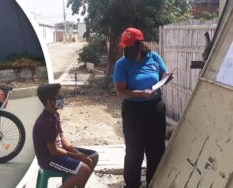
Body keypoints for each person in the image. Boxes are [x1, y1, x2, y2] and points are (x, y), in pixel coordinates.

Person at [113, 28, 173, 188]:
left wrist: (166, 78)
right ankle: (132, 184)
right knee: (134, 151)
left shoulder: (154, 57)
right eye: (124, 47)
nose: (126, 50)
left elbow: (163, 74)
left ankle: (154, 182)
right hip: (133, 111)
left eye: (129, 46)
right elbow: (120, 92)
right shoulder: (122, 64)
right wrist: (141, 93)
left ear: (140, 45)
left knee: (156, 149)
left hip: (155, 108)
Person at [33, 83, 99, 188]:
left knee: (94, 156)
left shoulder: (55, 115)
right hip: (49, 159)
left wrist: (79, 154)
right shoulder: (46, 121)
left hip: (59, 152)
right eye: (60, 97)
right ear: (50, 102)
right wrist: (78, 156)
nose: (63, 99)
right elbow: (53, 151)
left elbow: (62, 139)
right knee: (84, 169)